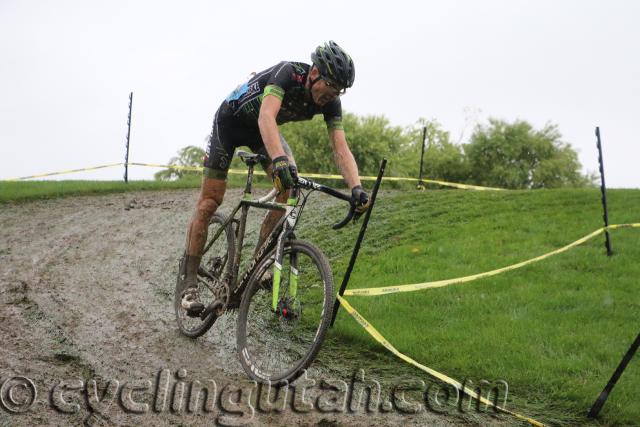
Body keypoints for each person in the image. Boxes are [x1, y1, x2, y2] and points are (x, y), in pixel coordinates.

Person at [180, 41, 370, 316]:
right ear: (314, 72)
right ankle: (188, 282)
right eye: (329, 85)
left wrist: (357, 188)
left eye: (338, 90)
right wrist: (279, 159)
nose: (331, 94)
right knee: (210, 202)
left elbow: (340, 147)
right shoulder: (288, 73)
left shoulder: (331, 102)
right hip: (230, 125)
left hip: (260, 134)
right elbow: (266, 115)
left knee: (290, 188)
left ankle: (261, 262)